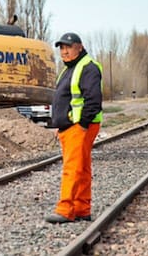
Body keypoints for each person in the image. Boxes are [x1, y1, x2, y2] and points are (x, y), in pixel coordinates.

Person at [46, 32, 103, 224]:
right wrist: (58, 124)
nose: (64, 51)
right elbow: (63, 100)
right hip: (70, 126)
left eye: (68, 47)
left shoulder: (88, 67)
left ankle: (65, 209)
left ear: (79, 47)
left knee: (72, 168)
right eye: (61, 48)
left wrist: (82, 124)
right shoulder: (69, 69)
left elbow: (93, 100)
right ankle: (81, 208)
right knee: (82, 168)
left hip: (79, 126)